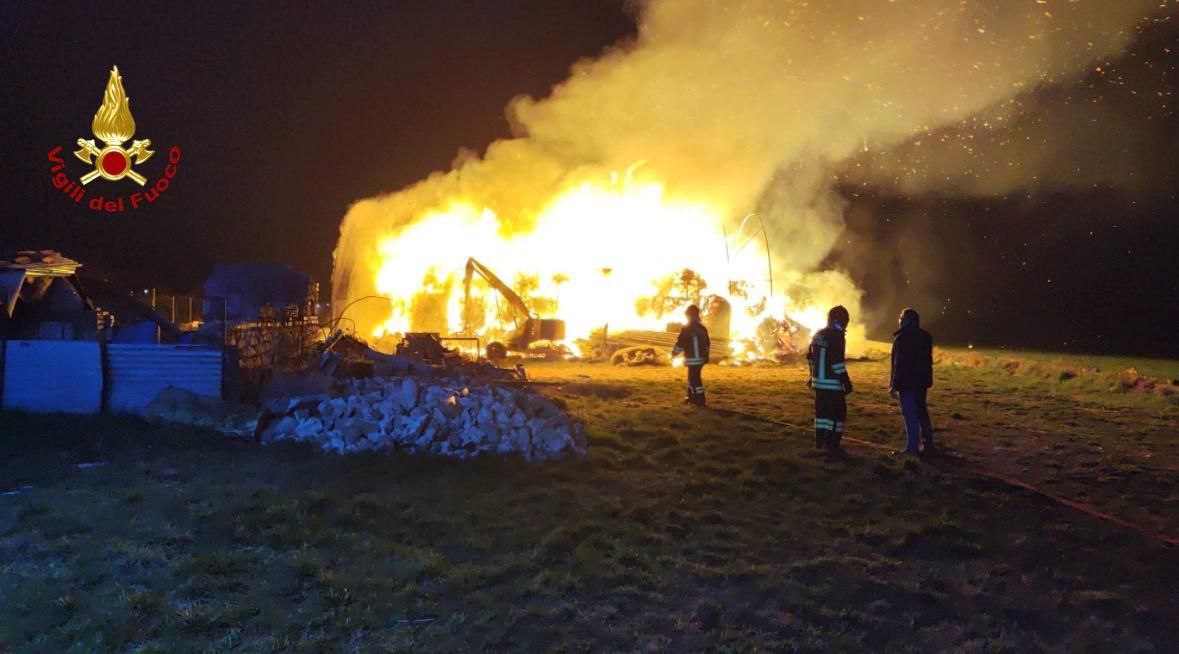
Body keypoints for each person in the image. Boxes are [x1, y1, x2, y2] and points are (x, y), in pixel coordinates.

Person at [807, 305, 853, 454]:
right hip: (832, 383)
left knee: (821, 414)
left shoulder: (817, 334)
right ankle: (833, 445)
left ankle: (820, 443)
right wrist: (846, 382)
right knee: (837, 414)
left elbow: (810, 358)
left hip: (818, 383)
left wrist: (811, 376)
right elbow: (837, 362)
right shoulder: (837, 336)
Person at [889, 307, 935, 456]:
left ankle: (912, 449)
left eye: (901, 318)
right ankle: (928, 445)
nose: (899, 320)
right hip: (921, 383)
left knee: (910, 416)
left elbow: (899, 364)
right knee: (922, 412)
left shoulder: (902, 339)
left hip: (907, 383)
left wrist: (894, 386)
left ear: (908, 320)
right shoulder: (925, 337)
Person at [672, 305, 710, 405]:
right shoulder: (702, 329)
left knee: (694, 380)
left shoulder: (686, 329)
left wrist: (674, 353)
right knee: (692, 378)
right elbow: (707, 344)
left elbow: (680, 343)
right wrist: (706, 357)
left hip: (692, 359)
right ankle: (691, 397)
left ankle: (699, 400)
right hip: (701, 360)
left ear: (688, 315)